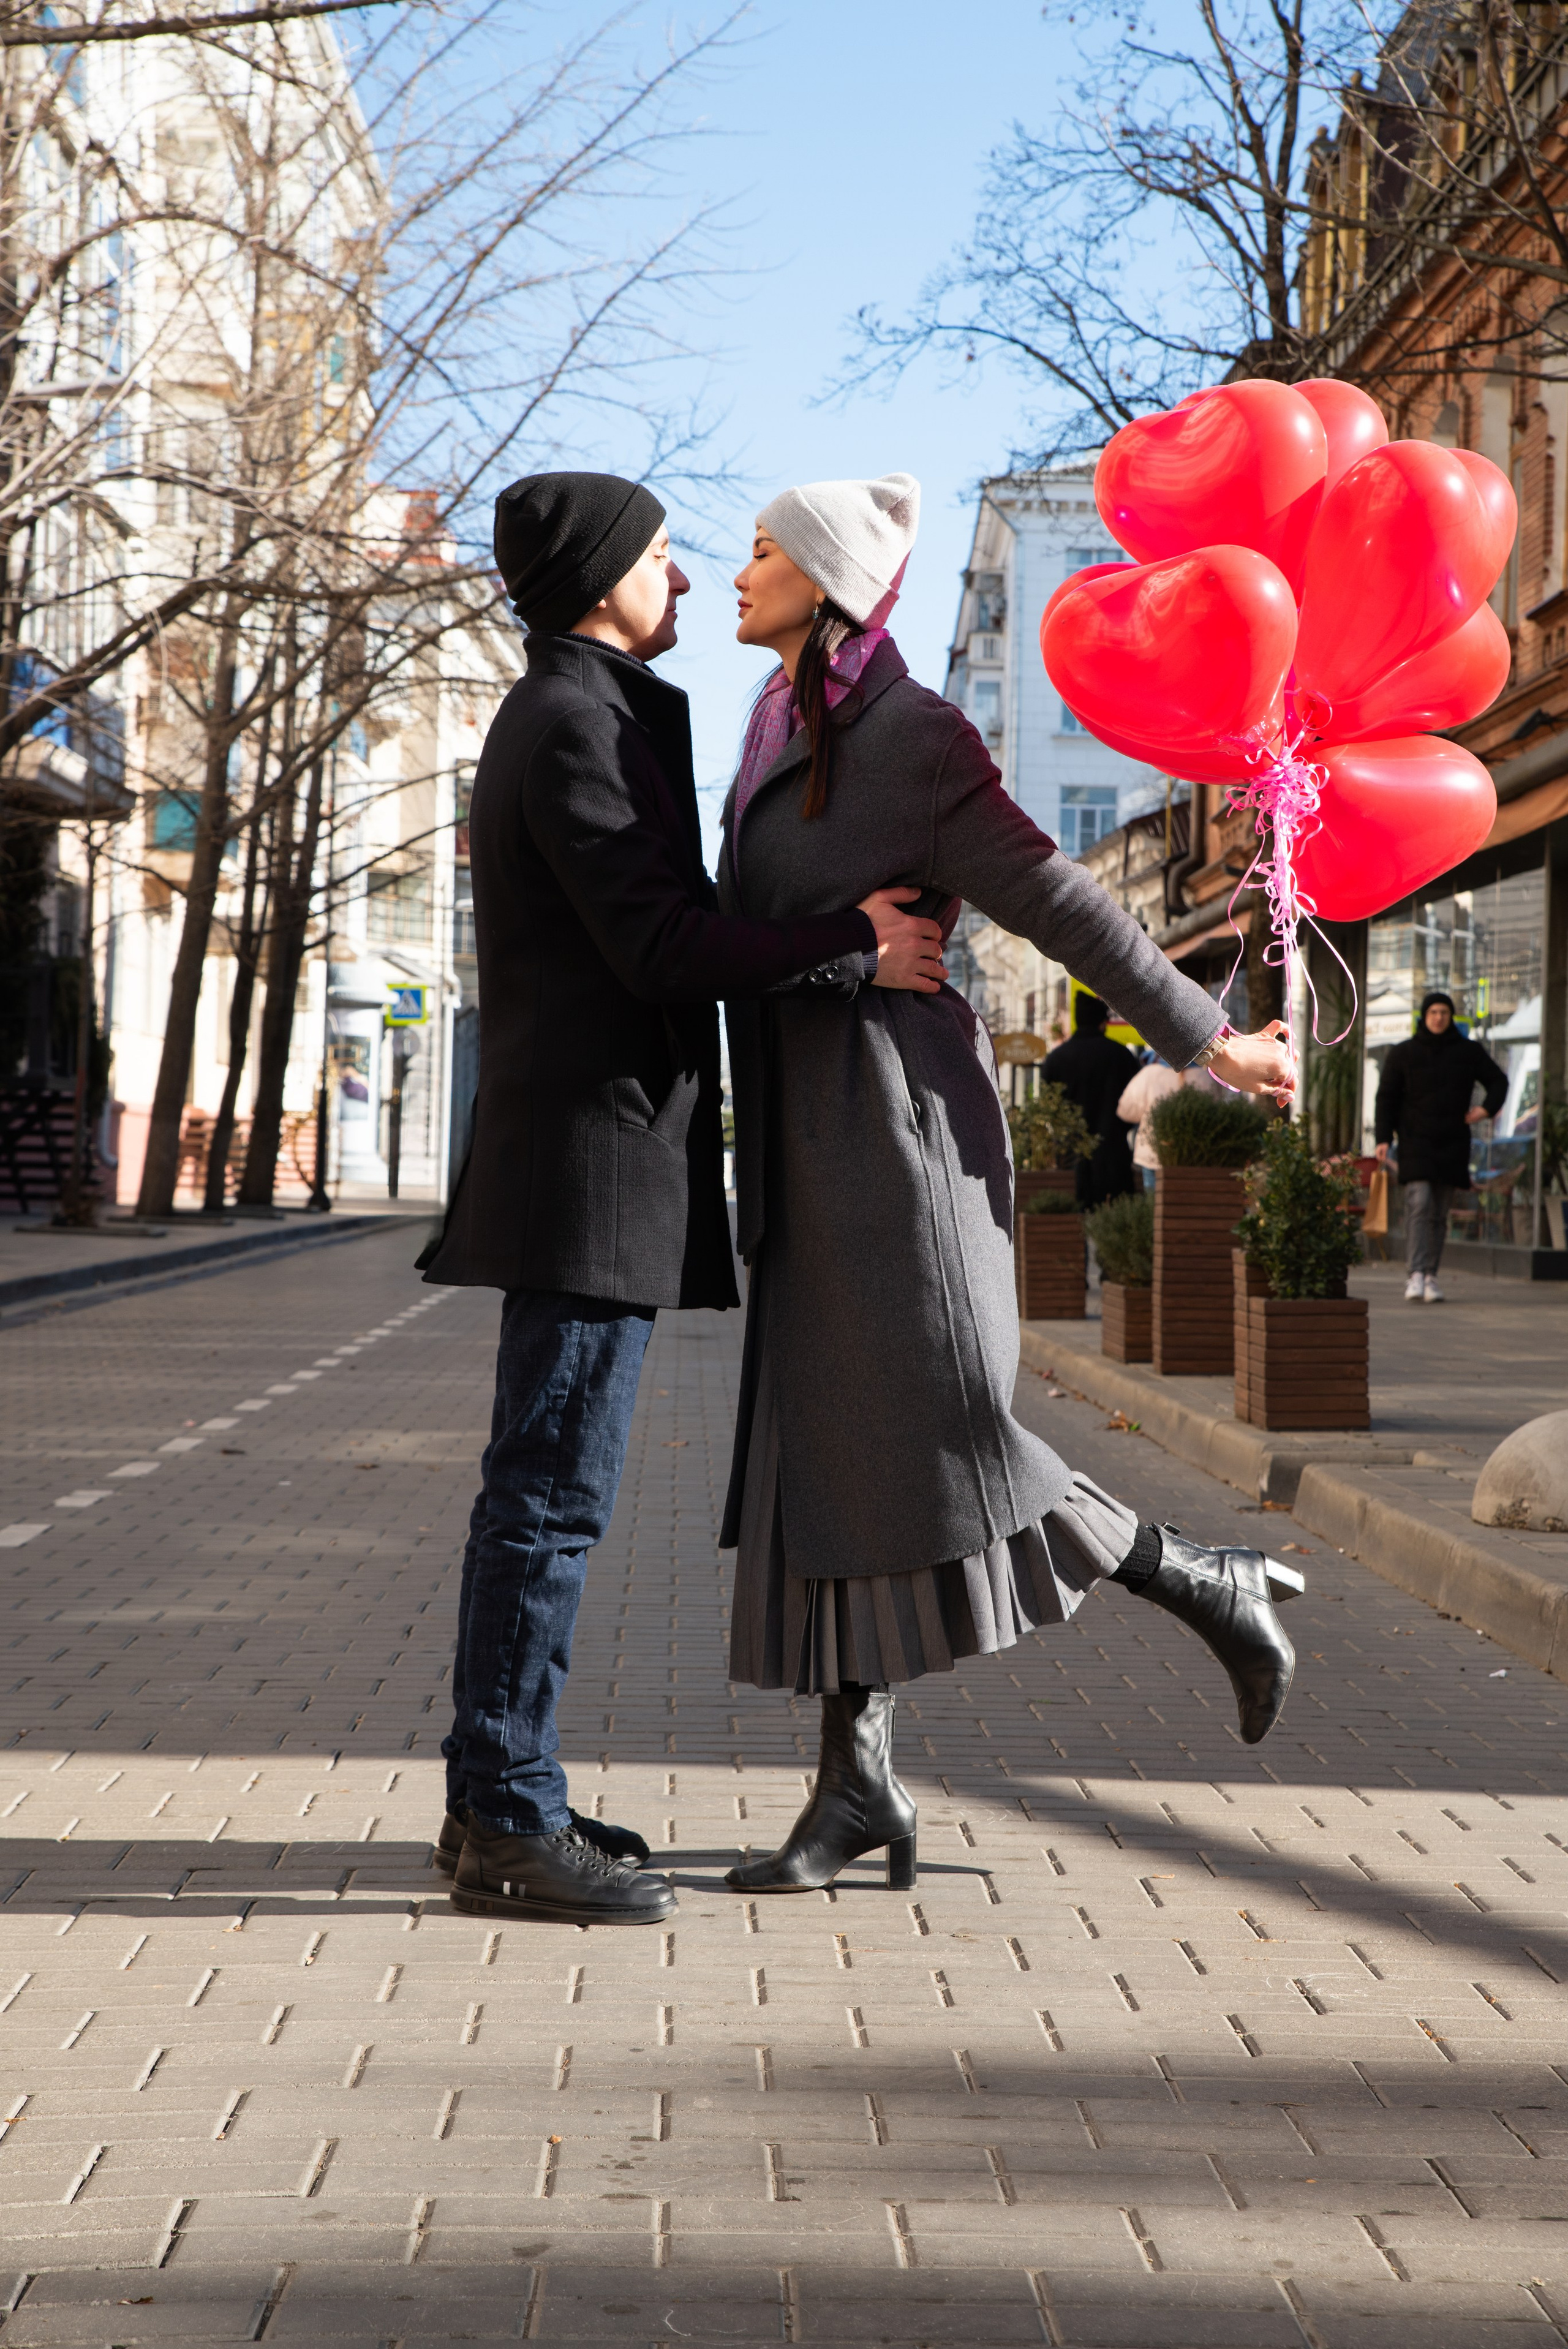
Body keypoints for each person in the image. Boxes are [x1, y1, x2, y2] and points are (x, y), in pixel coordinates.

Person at [717, 472, 1303, 1898]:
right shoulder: (769, 726)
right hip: (802, 1132)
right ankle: (855, 1782)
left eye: (757, 550)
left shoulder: (916, 737)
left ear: (825, 577)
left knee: (945, 1429)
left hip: (896, 1131)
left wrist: (1206, 1036)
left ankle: (1195, 1577)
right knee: (830, 1454)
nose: (734, 572)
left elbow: (1059, 895)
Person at [417, 471, 945, 1928]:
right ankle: (505, 1817)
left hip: (597, 1161)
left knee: (544, 1497)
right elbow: (658, 943)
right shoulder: (575, 723)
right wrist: (846, 934)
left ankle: (493, 1796)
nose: (682, 571)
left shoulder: (587, 711)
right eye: (657, 553)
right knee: (547, 1503)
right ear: (598, 581)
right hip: (585, 1167)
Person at [1374, 989, 1507, 1303]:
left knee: (1439, 1212)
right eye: (1433, 1013)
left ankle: (1431, 1275)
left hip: (1452, 1142)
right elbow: (1387, 1098)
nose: (1438, 1018)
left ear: (1451, 1018)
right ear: (1424, 1016)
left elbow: (1499, 1081)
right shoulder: (1403, 1053)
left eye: (1444, 1013)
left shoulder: (1468, 1051)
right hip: (1415, 1141)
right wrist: (1383, 1137)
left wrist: (1484, 1110)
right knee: (1419, 1203)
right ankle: (1415, 1274)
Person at [1044, 992, 1139, 1206]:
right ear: (1103, 1023)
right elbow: (1136, 1102)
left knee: (1074, 1220)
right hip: (1114, 1151)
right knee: (1116, 1217)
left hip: (1071, 1155)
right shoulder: (1121, 1056)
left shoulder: (1057, 1059)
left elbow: (1048, 1106)